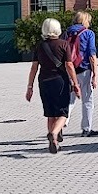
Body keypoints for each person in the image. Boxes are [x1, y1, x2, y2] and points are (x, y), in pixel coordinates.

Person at [26, 18, 79, 154]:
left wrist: (30, 87)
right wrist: (75, 83)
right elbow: (69, 65)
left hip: (44, 82)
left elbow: (34, 67)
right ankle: (54, 133)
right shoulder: (64, 44)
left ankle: (53, 140)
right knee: (63, 112)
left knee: (50, 113)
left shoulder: (40, 46)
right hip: (60, 81)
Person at [66, 11, 98, 138]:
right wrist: (95, 74)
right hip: (84, 69)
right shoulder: (88, 33)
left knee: (70, 98)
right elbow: (92, 55)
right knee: (87, 100)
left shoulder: (66, 33)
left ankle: (62, 121)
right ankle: (86, 129)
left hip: (69, 69)